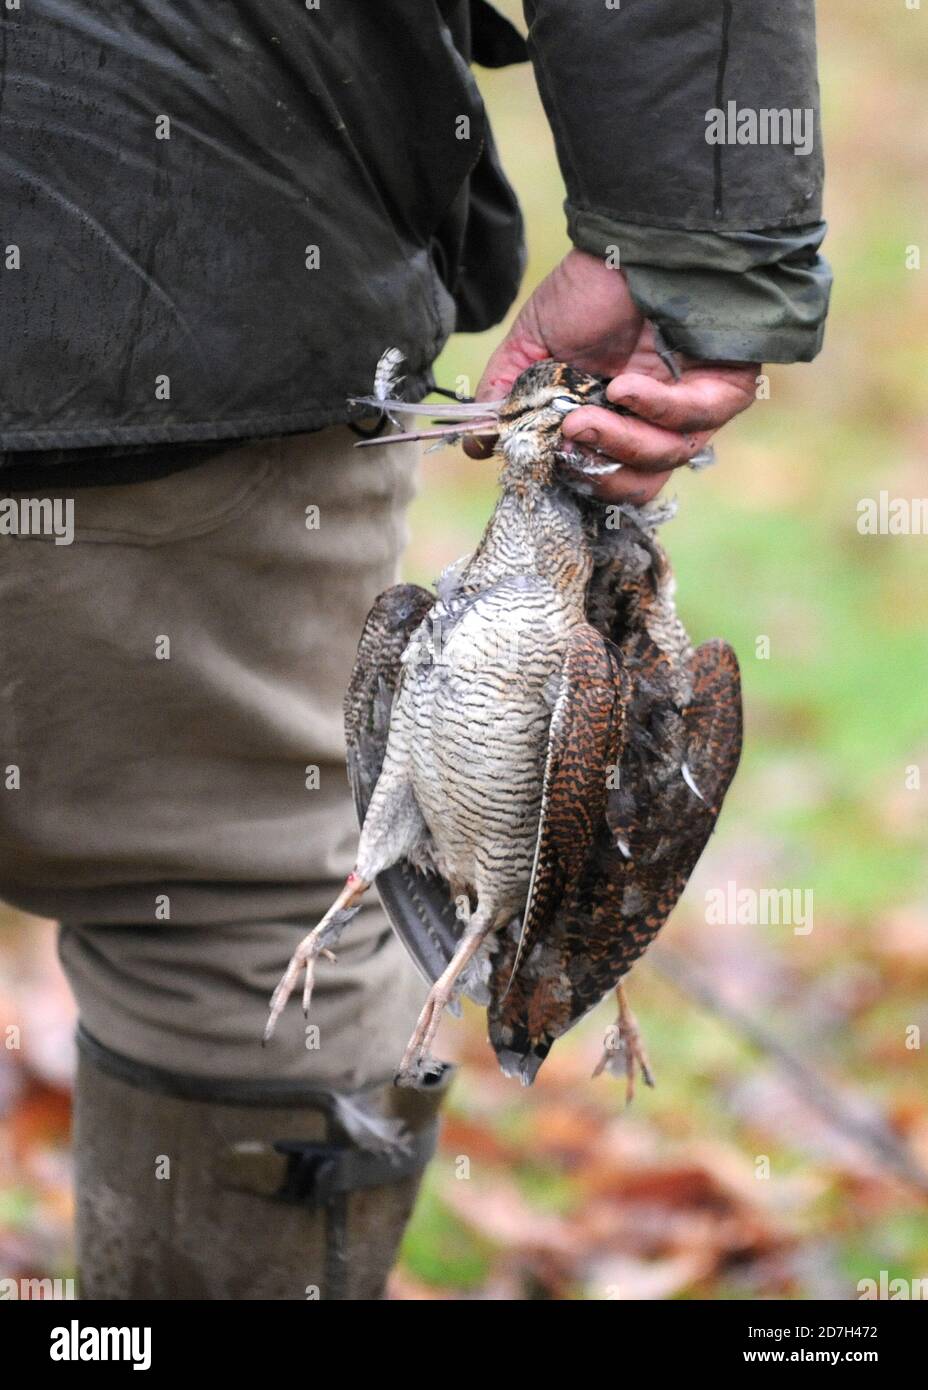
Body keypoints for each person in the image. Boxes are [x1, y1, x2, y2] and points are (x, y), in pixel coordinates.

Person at [0, 1, 830, 1299]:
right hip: (188, 233)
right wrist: (696, 245)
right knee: (236, 908)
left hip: (153, 264)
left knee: (269, 912)